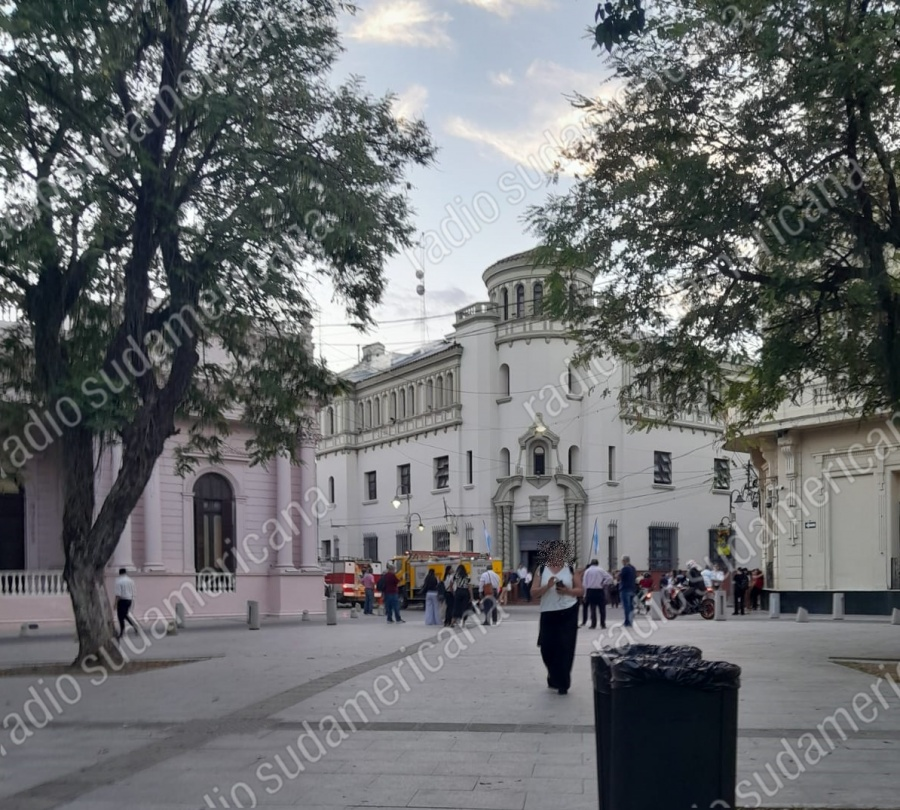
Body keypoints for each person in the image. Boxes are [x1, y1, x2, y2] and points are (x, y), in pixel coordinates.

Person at [533, 542, 584, 694]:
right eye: (555, 552)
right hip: (548, 612)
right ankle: (553, 675)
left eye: (561, 553)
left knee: (565, 648)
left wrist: (568, 591)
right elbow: (533, 593)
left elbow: (580, 591)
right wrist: (547, 586)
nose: (558, 555)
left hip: (568, 611)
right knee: (547, 648)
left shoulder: (571, 568)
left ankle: (563, 683)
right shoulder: (541, 569)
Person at [581, 559, 613, 629]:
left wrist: (584, 595)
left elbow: (584, 584)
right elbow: (610, 578)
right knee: (602, 608)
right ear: (597, 564)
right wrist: (604, 583)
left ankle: (593, 624)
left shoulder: (587, 571)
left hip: (590, 590)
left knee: (593, 608)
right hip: (599, 590)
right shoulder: (600, 570)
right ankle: (603, 624)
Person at [114, 568, 139, 640]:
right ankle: (134, 626)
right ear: (125, 573)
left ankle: (122, 632)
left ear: (119, 573)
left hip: (122, 600)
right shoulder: (130, 580)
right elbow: (133, 591)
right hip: (129, 599)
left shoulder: (118, 581)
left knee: (121, 616)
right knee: (125, 615)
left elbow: (118, 594)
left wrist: (115, 603)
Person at [452, 564, 474, 628]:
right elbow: (469, 587)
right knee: (464, 607)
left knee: (456, 607)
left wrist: (454, 592)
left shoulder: (456, 576)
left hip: (458, 591)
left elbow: (452, 584)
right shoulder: (467, 576)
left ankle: (453, 621)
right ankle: (463, 622)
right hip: (465, 592)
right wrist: (471, 596)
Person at [619, 556, 636, 627]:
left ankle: (627, 622)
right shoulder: (633, 568)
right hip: (632, 589)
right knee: (631, 606)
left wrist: (617, 574)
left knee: (626, 606)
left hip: (625, 589)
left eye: (622, 561)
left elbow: (620, 576)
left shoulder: (625, 568)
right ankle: (631, 621)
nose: (622, 562)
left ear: (624, 561)